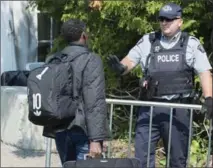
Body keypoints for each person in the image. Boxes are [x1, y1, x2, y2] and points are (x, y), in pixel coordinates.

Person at [108, 2, 213, 168]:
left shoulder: (190, 43)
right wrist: (121, 68)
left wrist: (209, 98)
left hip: (178, 108)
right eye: (162, 19)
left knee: (177, 160)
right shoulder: (149, 40)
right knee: (141, 160)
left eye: (170, 19)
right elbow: (130, 60)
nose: (165, 22)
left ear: (180, 22)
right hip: (150, 108)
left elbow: (204, 71)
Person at [42, 19, 109, 165]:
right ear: (84, 35)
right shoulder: (91, 60)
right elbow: (94, 101)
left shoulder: (53, 59)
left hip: (60, 128)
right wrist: (96, 139)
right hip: (82, 130)